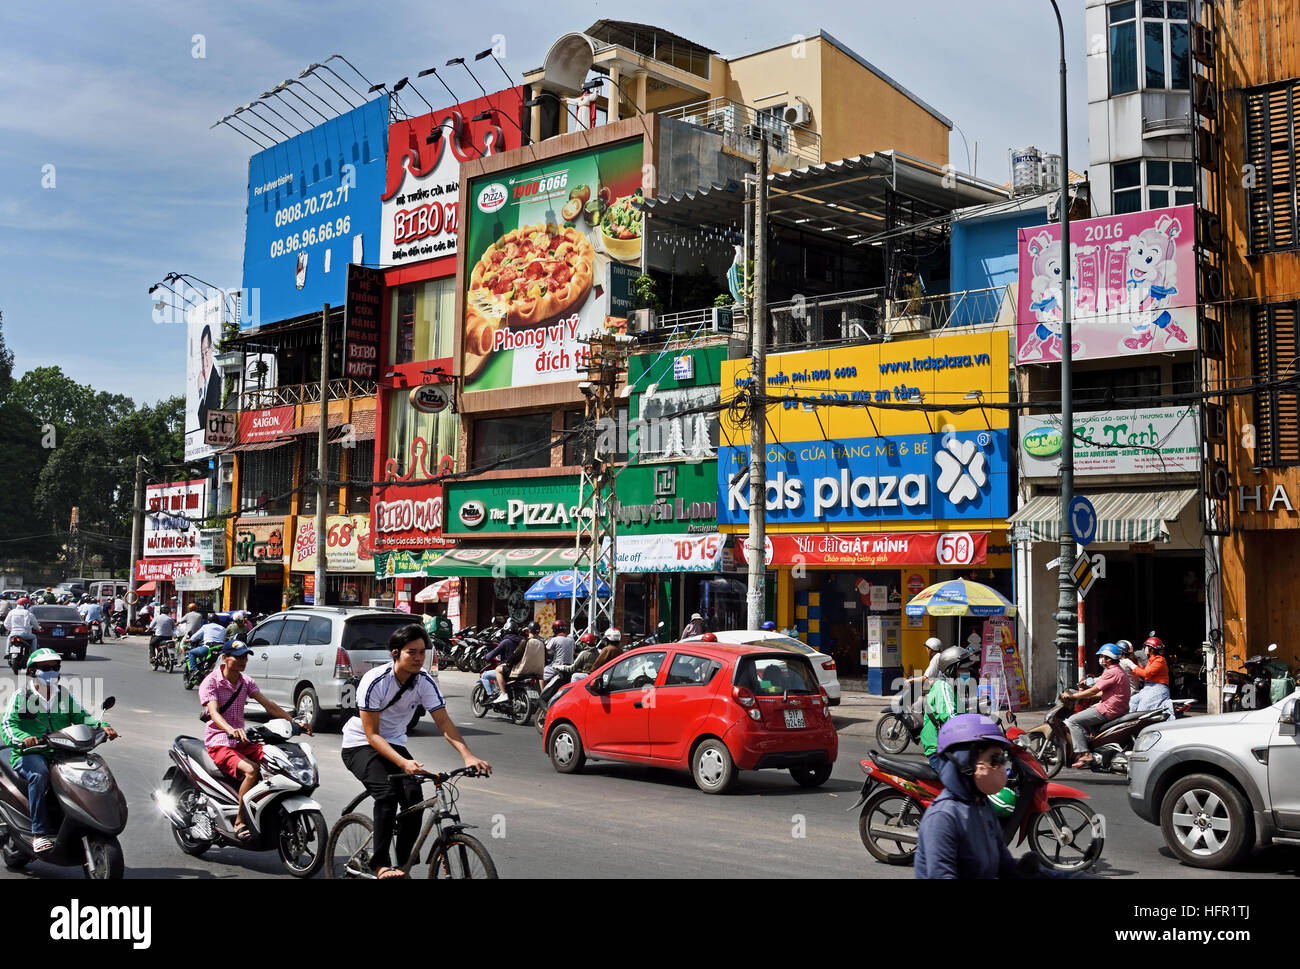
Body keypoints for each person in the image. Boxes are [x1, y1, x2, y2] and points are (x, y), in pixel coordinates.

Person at [340, 624, 491, 879]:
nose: (419, 657)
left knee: (415, 800)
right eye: (412, 652)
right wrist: (404, 763)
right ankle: (380, 864)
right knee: (386, 797)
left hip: (394, 743)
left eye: (422, 651)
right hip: (360, 745)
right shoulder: (375, 680)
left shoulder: (424, 682)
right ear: (395, 653)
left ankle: (402, 867)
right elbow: (372, 734)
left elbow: (444, 722)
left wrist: (468, 755)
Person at [3, 649, 118, 852]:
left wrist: (102, 726)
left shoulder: (63, 695)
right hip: (32, 753)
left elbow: (82, 716)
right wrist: (23, 739)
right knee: (39, 775)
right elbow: (7, 725)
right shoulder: (22, 696)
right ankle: (39, 832)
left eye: (55, 668)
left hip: (62, 751)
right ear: (32, 671)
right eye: (45, 668)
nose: (51, 672)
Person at [199, 641, 306, 842]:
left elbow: (268, 705)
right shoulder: (211, 682)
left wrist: (294, 722)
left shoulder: (245, 682)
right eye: (238, 657)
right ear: (225, 658)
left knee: (277, 760)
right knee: (251, 770)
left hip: (242, 740)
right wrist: (230, 729)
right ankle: (239, 821)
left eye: (245, 657)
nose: (243, 661)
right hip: (219, 741)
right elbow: (213, 712)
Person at [915, 714, 1043, 879]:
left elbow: (1005, 865)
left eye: (1002, 759)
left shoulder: (982, 806)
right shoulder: (943, 817)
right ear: (966, 762)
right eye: (994, 759)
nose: (1001, 767)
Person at [1060, 643, 1130, 768]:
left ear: (1108, 658)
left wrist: (1073, 696)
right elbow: (1102, 692)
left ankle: (1085, 754)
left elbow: (1094, 690)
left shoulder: (1111, 672)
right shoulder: (1118, 671)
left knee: (1072, 721)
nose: (1101, 659)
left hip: (1109, 709)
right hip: (1118, 707)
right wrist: (1085, 695)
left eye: (1102, 656)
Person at [918, 646, 977, 772]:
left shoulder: (954, 686)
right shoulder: (943, 686)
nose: (967, 672)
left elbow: (962, 712)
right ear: (952, 669)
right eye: (963, 668)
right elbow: (951, 718)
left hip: (950, 745)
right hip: (939, 750)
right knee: (963, 782)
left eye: (967, 668)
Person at [492, 621, 545, 706]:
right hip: (537, 672)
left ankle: (503, 694)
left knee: (498, 670)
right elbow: (545, 658)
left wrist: (508, 664)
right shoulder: (542, 643)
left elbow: (516, 655)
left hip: (523, 671)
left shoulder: (525, 641)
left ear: (528, 631)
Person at [1125, 635, 1171, 713]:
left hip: (1158, 688)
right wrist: (1135, 664)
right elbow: (1144, 670)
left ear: (1150, 648)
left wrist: (1132, 666)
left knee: (1143, 708)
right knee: (1132, 702)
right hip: (1148, 687)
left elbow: (1146, 673)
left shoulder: (1160, 660)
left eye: (1146, 647)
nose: (1145, 648)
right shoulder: (1151, 660)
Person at [543, 619, 575, 684]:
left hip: (557, 665)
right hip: (570, 666)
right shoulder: (571, 639)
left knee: (541, 675)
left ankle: (542, 693)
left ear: (555, 630)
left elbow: (545, 650)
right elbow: (573, 652)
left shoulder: (554, 639)